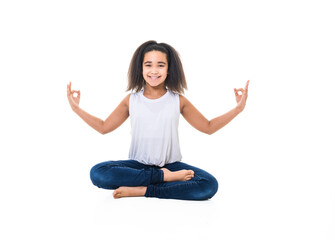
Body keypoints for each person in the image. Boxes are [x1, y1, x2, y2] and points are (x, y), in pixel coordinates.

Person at [67, 40, 249, 200]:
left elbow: (208, 127)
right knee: (98, 173)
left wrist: (238, 109)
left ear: (169, 69)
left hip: (171, 167)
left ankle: (143, 190)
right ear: (141, 68)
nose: (154, 70)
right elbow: (104, 127)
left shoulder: (178, 100)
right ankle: (162, 179)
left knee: (209, 185)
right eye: (148, 65)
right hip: (138, 167)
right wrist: (76, 108)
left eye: (160, 65)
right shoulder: (131, 99)